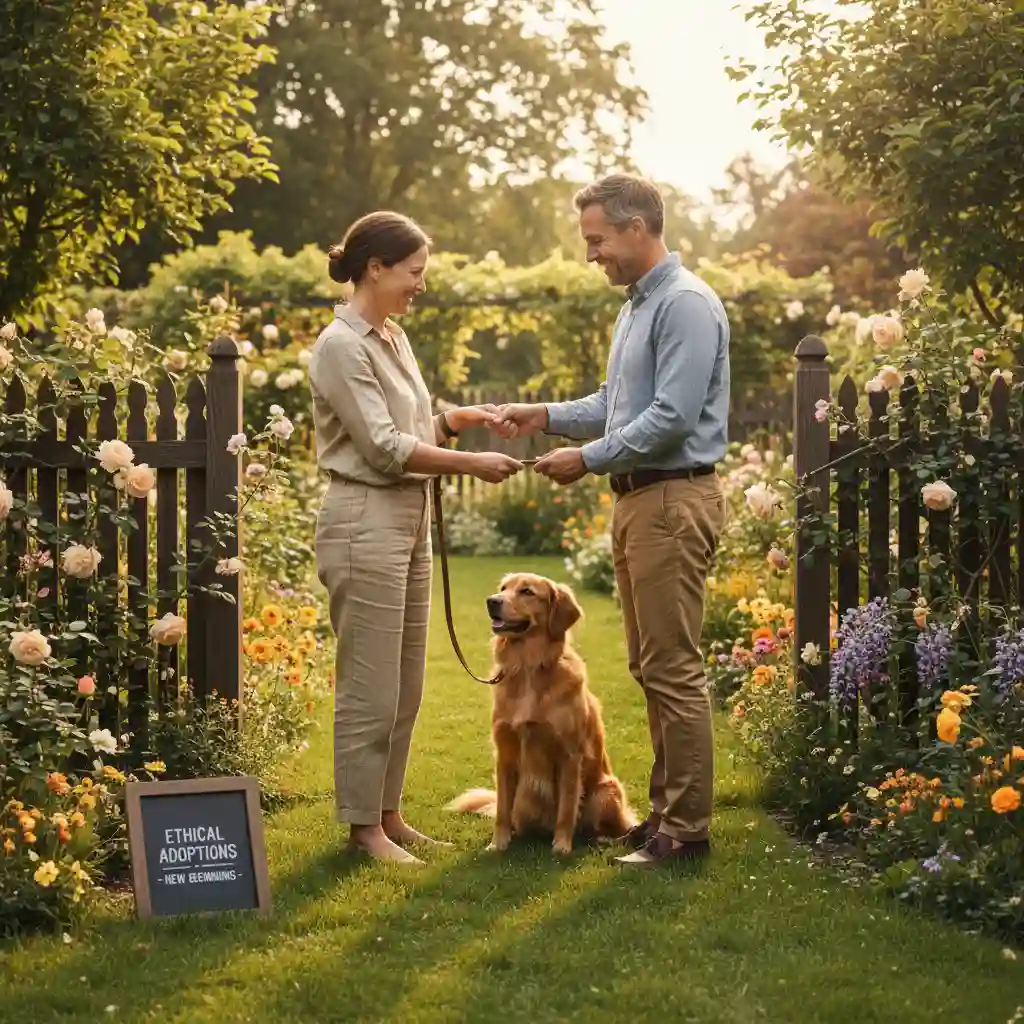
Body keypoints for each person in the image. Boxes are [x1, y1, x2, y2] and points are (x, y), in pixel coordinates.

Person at [496, 174, 730, 866]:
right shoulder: (635, 308)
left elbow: (671, 418)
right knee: (649, 664)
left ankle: (685, 831)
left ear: (637, 227)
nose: (592, 254)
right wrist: (544, 417)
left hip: (670, 498)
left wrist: (587, 459)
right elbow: (617, 400)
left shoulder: (684, 304)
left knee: (673, 668)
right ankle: (663, 817)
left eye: (597, 240)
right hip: (639, 502)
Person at [310, 210, 522, 864]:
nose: (419, 285)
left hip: (406, 518)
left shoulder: (393, 337)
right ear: (376, 267)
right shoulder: (340, 345)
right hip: (363, 519)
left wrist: (454, 421)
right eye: (414, 271)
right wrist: (473, 465)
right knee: (370, 685)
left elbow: (413, 425)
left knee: (405, 684)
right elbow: (382, 447)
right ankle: (362, 830)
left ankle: (389, 813)